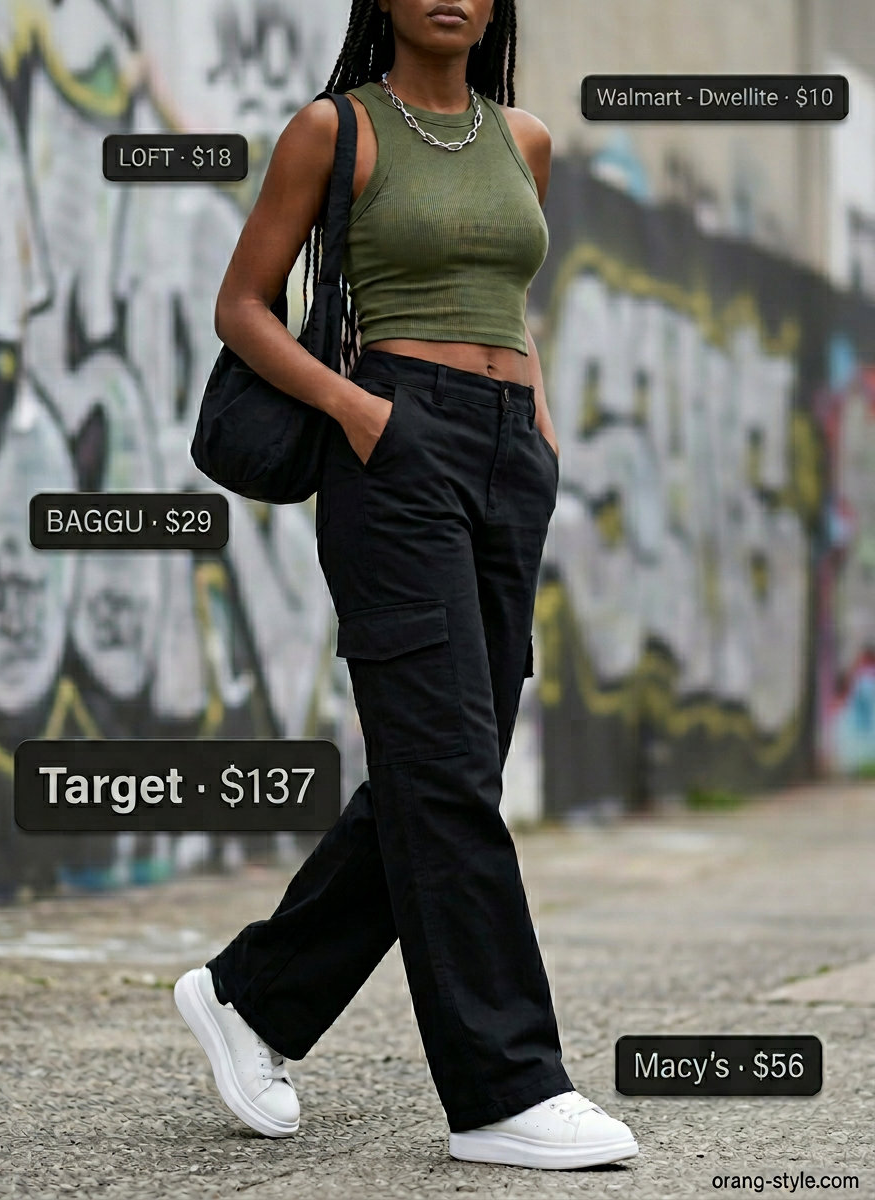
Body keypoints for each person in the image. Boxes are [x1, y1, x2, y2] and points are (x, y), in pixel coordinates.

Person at [174, 0, 639, 1171]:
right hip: (395, 445)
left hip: (504, 459)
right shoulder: (337, 130)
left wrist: (529, 414)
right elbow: (242, 305)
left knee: (452, 767)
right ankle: (505, 1088)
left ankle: (250, 999)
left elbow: (506, 299)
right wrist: (355, 409)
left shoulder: (521, 138)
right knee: (444, 773)